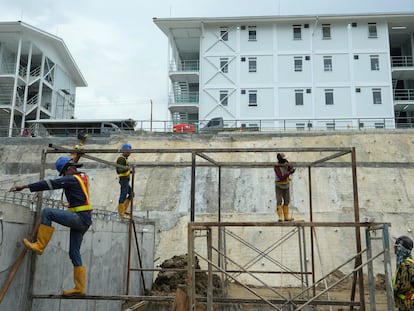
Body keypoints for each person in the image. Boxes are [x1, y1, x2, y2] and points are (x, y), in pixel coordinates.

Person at [9, 155, 92, 296]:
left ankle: (40, 245)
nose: (63, 175)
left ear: (67, 170)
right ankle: (80, 288)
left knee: (47, 212)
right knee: (74, 252)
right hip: (84, 220)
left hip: (79, 219)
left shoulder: (70, 179)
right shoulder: (82, 176)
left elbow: (49, 184)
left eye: (64, 172)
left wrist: (25, 186)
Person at [393, 235, 414, 310]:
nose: (394, 248)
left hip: (408, 303)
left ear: (401, 249)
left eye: (396, 246)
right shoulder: (407, 263)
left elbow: (404, 285)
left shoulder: (406, 265)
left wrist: (393, 290)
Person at [274, 153, 296, 221]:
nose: (285, 160)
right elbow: (281, 177)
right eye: (284, 159)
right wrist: (289, 172)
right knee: (279, 200)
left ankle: (286, 217)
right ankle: (280, 217)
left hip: (286, 185)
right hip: (279, 185)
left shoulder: (286, 162)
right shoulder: (277, 166)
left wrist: (292, 169)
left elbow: (291, 168)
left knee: (287, 200)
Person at [116, 143, 133, 218]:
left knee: (132, 194)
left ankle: (124, 209)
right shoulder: (121, 159)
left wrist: (130, 171)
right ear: (124, 151)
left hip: (126, 179)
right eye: (128, 151)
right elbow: (119, 170)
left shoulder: (125, 159)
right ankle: (121, 212)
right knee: (123, 195)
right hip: (123, 180)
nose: (129, 153)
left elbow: (125, 169)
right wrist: (127, 168)